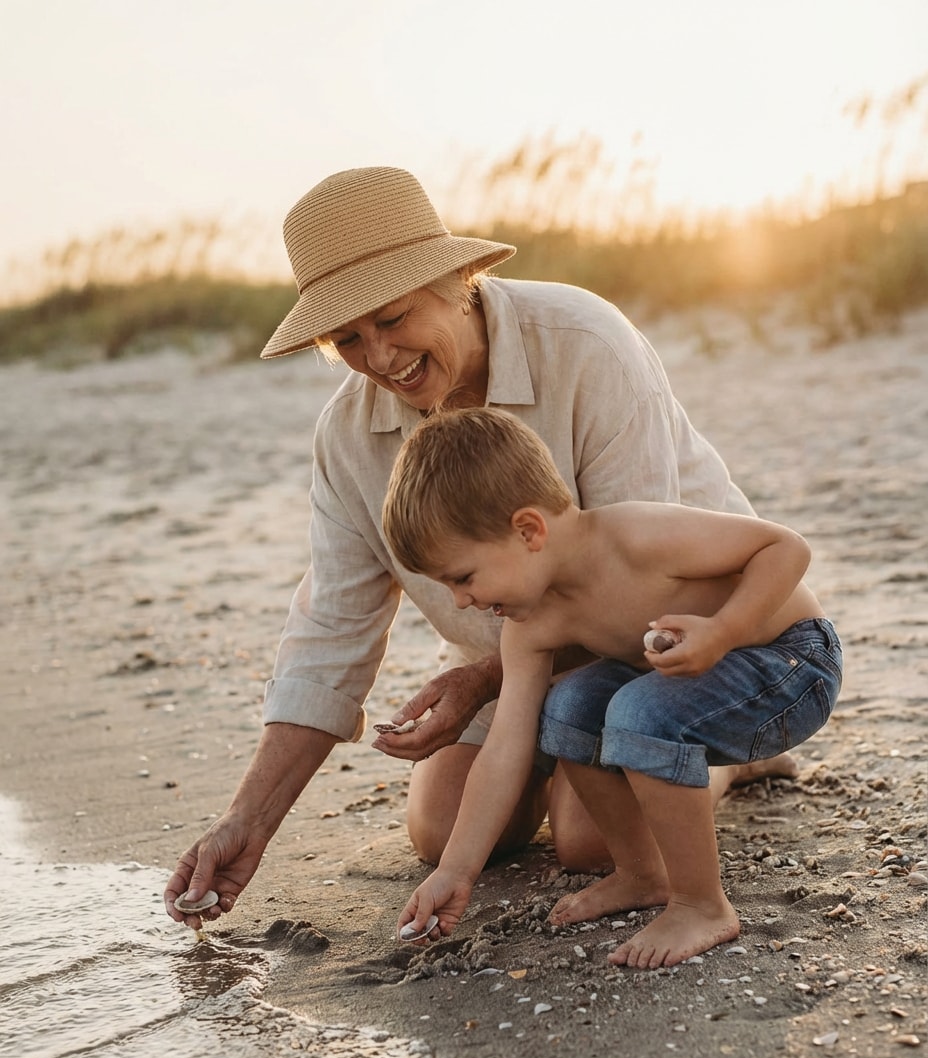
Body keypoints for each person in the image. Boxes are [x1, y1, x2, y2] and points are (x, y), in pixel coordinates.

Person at [164, 166, 795, 929]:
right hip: (521, 663)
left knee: (590, 839)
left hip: (672, 635)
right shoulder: (347, 438)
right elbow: (331, 632)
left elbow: (639, 590)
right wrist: (249, 823)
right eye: (348, 339)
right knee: (442, 830)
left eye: (392, 319)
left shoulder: (586, 344)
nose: (379, 358)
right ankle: (565, 750)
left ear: (457, 278)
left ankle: (734, 747)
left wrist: (484, 680)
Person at [387, 407, 842, 968]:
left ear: (528, 529)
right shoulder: (532, 625)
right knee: (568, 706)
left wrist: (722, 633)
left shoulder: (635, 536)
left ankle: (702, 904)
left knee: (637, 710)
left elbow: (785, 548)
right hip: (694, 680)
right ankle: (642, 873)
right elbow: (506, 749)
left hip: (791, 665)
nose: (460, 600)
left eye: (463, 577)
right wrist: (455, 870)